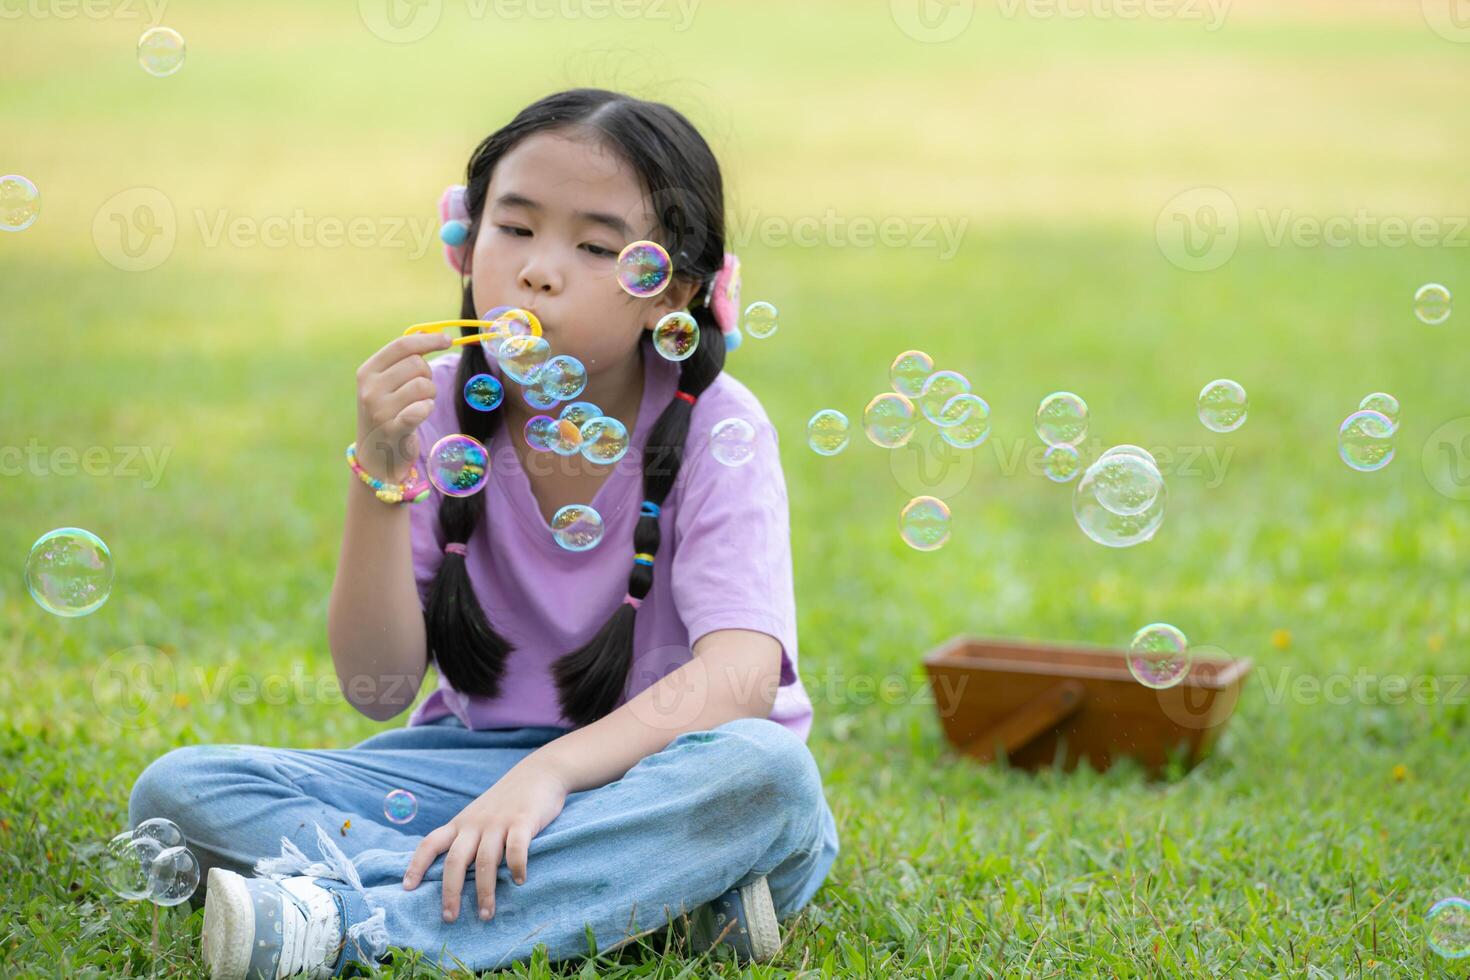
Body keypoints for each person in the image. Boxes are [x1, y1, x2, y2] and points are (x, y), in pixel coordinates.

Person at [127, 87, 839, 978]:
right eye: (515, 228)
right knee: (183, 791)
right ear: (467, 246)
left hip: (665, 776)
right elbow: (378, 686)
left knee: (767, 775)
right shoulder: (438, 411)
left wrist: (547, 780)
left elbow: (738, 680)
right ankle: (645, 897)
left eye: (596, 246)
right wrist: (382, 477)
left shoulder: (717, 426)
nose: (540, 269)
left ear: (676, 292)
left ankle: (369, 926)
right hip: (470, 770)